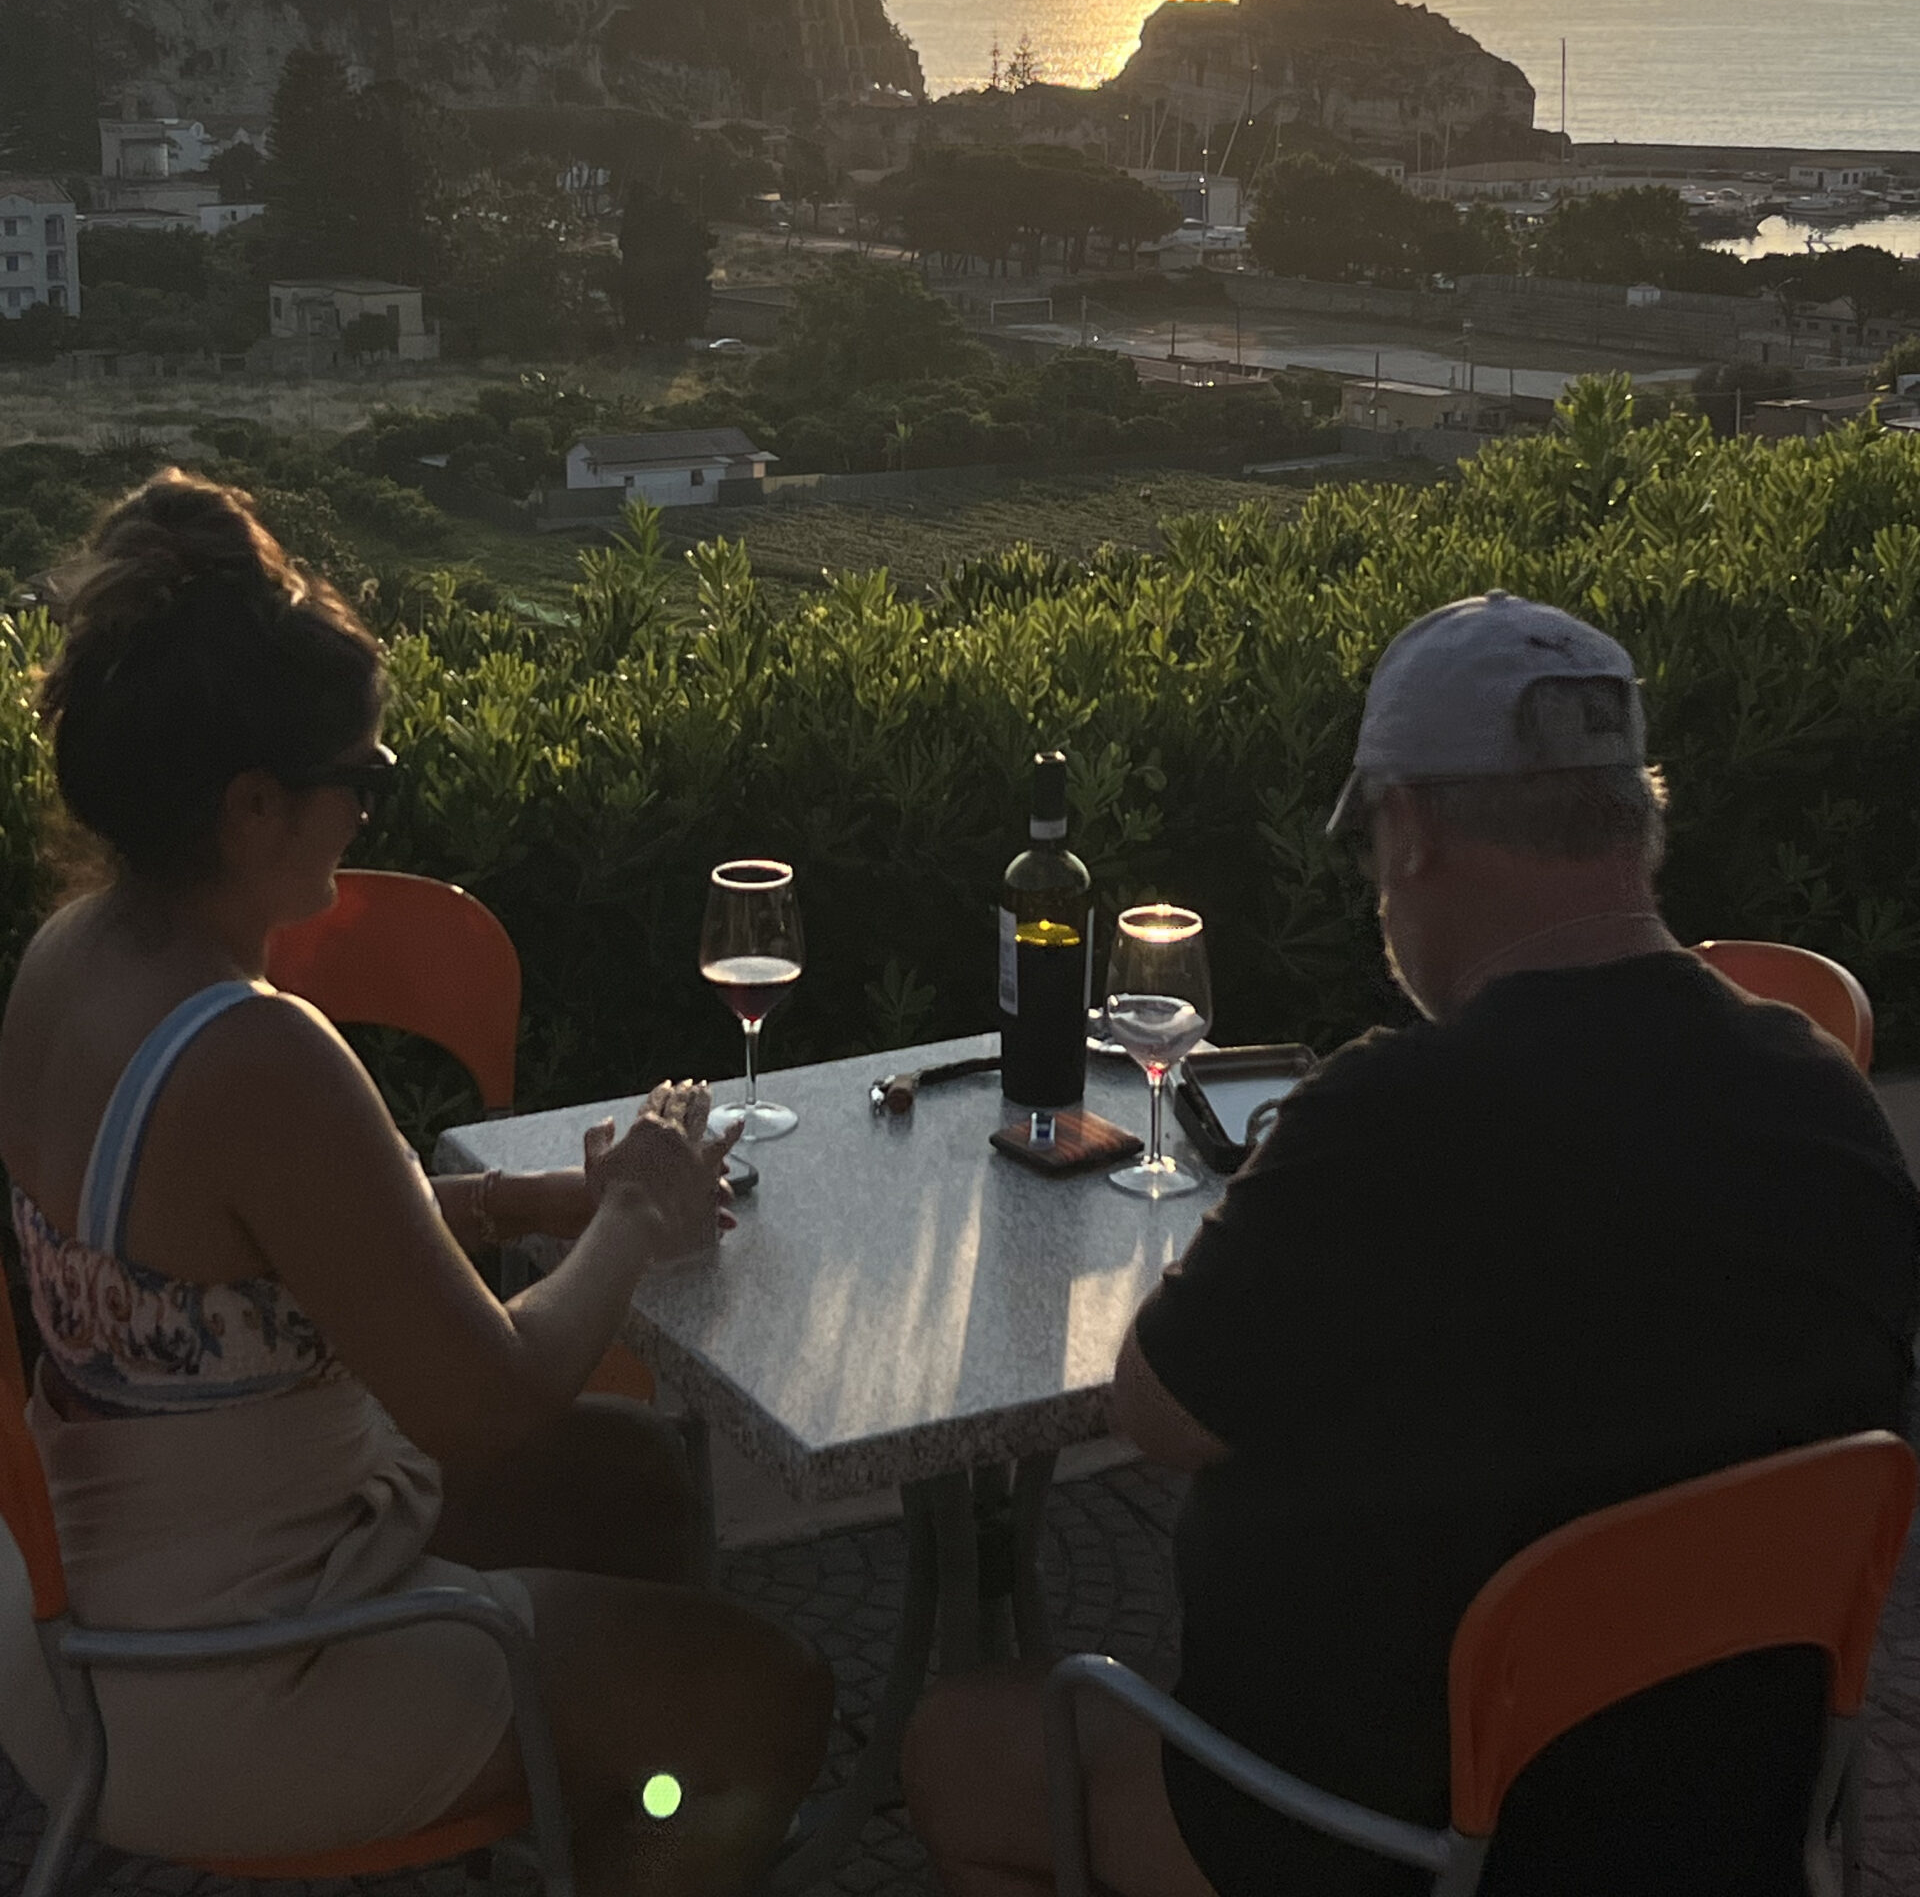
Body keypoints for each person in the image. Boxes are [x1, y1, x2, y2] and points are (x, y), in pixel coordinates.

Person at [906, 591, 1920, 1897]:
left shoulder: (1391, 1122)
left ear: (1417, 828)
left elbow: (1158, 1411)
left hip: (1400, 1841)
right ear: (1636, 819)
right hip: (1723, 1821)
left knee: (956, 1747)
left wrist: (1283, 1164)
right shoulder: (1825, 1099)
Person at [0, 470, 831, 1896]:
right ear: (253, 804)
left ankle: (591, 1802)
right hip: (228, 1683)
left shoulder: (72, 960)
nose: (373, 811)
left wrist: (519, 1208)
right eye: (363, 778)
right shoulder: (257, 1055)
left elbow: (241, 1272)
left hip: (87, 1618)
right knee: (769, 1695)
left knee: (630, 1490)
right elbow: (494, 1408)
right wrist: (631, 1213)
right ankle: (631, 1785)